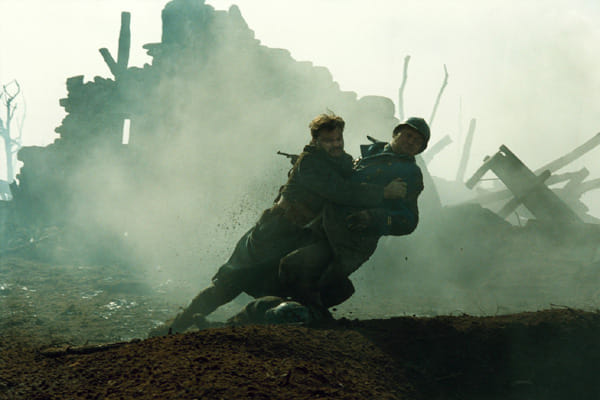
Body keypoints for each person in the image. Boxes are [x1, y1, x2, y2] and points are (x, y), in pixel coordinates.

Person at [148, 112, 407, 336]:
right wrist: (382, 193)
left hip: (299, 236)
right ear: (315, 141)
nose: (335, 144)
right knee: (228, 284)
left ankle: (248, 325)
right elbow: (339, 191)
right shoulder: (310, 163)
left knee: (304, 285)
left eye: (338, 139)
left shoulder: (341, 161)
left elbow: (354, 178)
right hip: (274, 231)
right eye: (328, 140)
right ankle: (175, 327)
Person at [277, 117, 430, 312]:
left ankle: (315, 318)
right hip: (327, 224)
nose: (411, 142)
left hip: (352, 240)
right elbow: (343, 183)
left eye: (417, 141)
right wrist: (317, 164)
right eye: (408, 135)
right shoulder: (372, 153)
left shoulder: (411, 173)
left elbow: (408, 220)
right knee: (286, 266)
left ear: (420, 149)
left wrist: (372, 217)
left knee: (299, 269)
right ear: (396, 133)